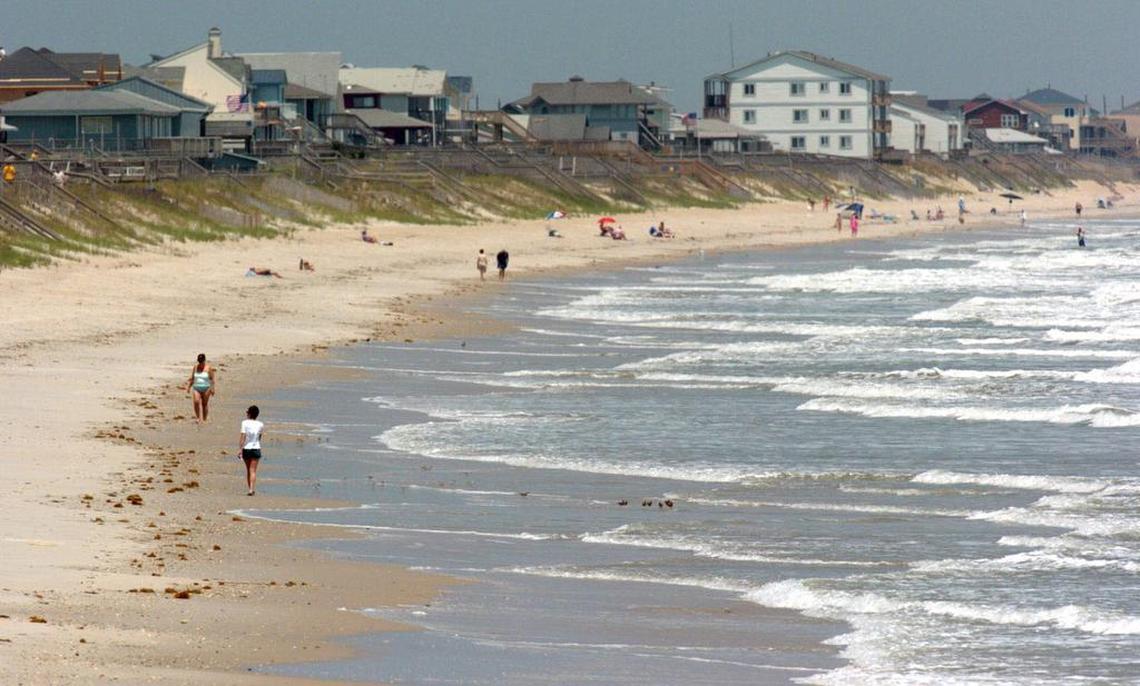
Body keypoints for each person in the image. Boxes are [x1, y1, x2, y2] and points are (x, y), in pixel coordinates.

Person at [238, 405, 264, 496]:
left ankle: (250, 489)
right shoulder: (260, 424)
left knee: (248, 469)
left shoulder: (244, 423)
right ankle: (251, 489)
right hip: (256, 448)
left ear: (249, 413)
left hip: (247, 448)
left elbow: (243, 437)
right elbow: (259, 437)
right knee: (253, 470)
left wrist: (240, 449)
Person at [183, 353, 216, 425]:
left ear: (204, 360)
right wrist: (189, 387)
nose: (200, 363)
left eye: (201, 361)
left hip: (206, 388)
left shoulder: (208, 368)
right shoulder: (195, 367)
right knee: (196, 401)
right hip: (196, 387)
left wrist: (212, 388)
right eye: (199, 361)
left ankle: (204, 419)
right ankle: (198, 418)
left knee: (204, 404)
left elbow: (212, 378)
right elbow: (192, 378)